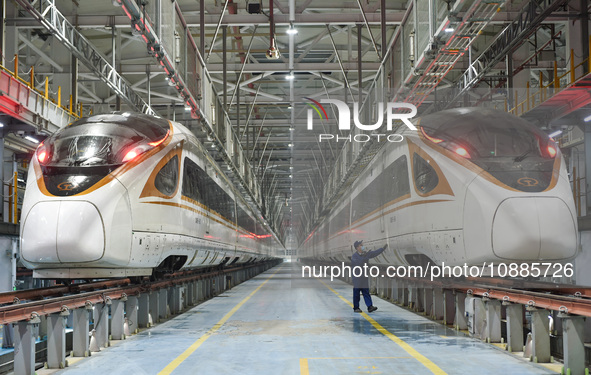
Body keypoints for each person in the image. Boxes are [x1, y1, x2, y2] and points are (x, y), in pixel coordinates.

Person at [351, 240, 388, 313]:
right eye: (361, 245)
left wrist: (382, 249)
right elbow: (358, 263)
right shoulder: (354, 256)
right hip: (357, 277)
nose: (363, 246)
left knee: (366, 292)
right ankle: (356, 307)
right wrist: (364, 258)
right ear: (357, 247)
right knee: (356, 293)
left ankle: (370, 306)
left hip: (364, 276)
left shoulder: (365, 254)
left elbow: (374, 253)